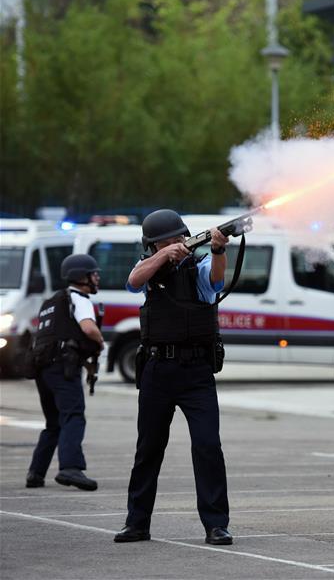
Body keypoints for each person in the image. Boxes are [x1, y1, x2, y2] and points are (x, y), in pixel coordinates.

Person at [114, 209, 233, 545]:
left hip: (196, 371)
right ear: (153, 245)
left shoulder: (198, 265)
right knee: (148, 448)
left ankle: (216, 524)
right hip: (157, 369)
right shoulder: (149, 267)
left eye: (180, 238)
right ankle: (137, 523)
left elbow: (216, 281)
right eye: (169, 241)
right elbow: (133, 282)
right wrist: (164, 255)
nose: (179, 243)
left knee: (208, 446)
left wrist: (220, 249)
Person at [26, 254, 104, 491]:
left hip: (43, 369)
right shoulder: (79, 299)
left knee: (54, 422)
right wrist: (101, 342)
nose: (97, 277)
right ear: (81, 277)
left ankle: (36, 474)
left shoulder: (52, 302)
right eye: (93, 273)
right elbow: (88, 328)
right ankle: (70, 468)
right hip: (63, 368)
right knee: (73, 415)